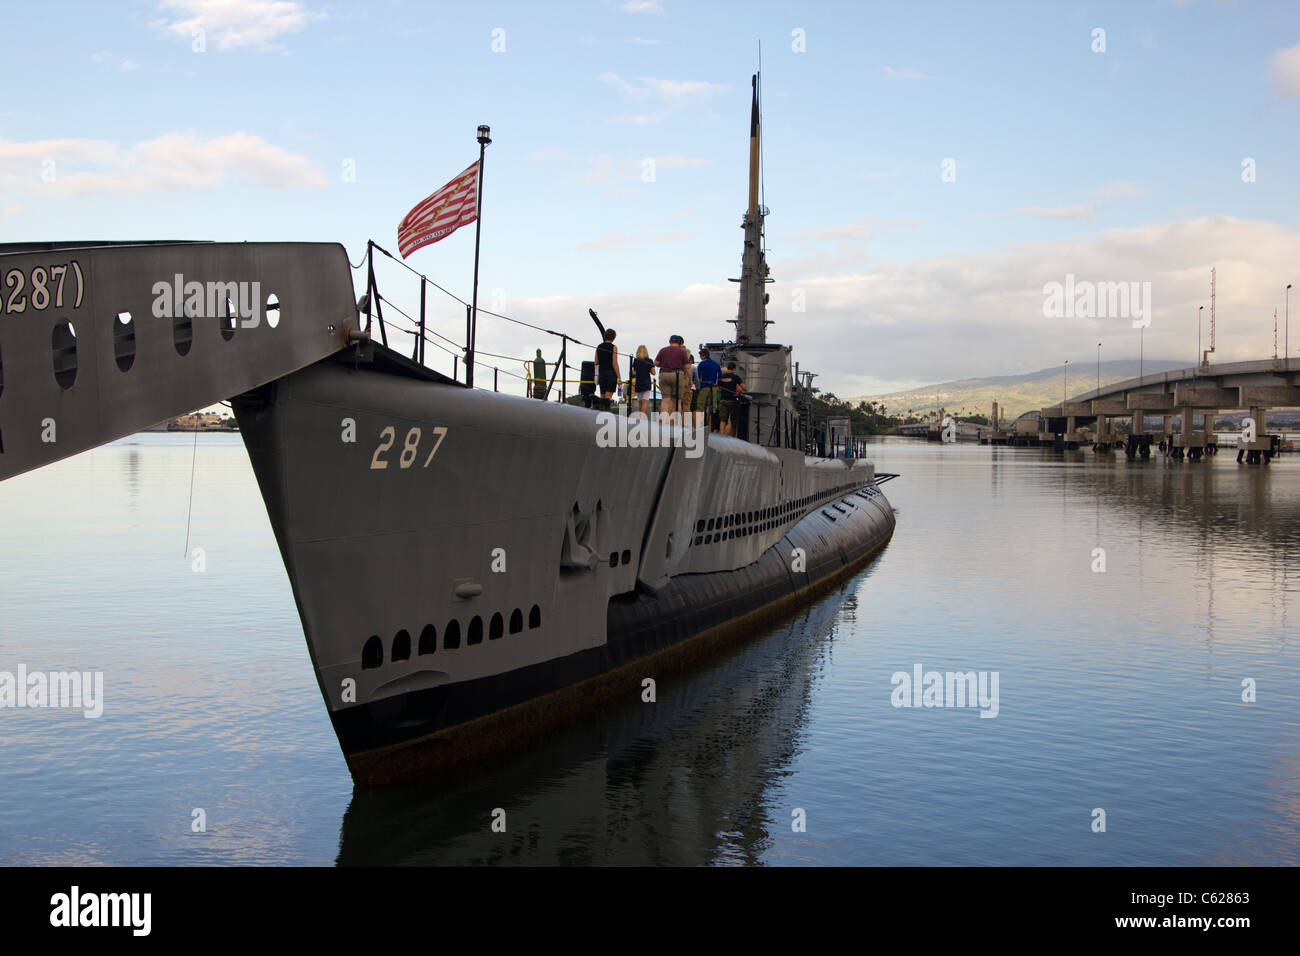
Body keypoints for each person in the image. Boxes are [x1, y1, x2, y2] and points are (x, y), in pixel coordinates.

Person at [654, 334, 691, 419]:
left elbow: (655, 363)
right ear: (679, 343)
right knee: (676, 400)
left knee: (665, 400)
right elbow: (687, 367)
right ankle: (673, 422)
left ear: (670, 341)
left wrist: (663, 365)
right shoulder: (682, 352)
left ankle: (664, 422)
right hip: (677, 375)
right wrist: (690, 379)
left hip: (664, 374)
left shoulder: (663, 350)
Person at [716, 360, 746, 436]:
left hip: (723, 400)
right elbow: (744, 388)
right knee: (733, 420)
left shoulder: (722, 377)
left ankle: (721, 436)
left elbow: (718, 389)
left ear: (727, 368)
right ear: (734, 369)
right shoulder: (736, 377)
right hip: (732, 401)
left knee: (722, 420)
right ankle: (732, 437)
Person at [695, 347, 721, 429]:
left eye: (700, 356)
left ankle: (699, 427)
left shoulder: (702, 364)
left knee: (700, 407)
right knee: (712, 408)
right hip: (713, 388)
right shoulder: (716, 364)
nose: (700, 358)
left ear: (703, 356)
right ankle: (710, 427)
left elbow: (698, 377)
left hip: (704, 387)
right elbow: (720, 376)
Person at [595, 329, 620, 408]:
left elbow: (596, 362)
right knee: (608, 397)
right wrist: (619, 377)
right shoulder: (614, 347)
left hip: (602, 373)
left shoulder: (599, 347)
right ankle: (606, 415)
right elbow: (615, 363)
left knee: (602, 396)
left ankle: (599, 414)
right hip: (611, 374)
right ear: (614, 337)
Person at [631, 345, 655, 416]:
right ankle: (642, 418)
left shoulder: (636, 360)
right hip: (646, 383)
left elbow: (633, 372)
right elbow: (654, 373)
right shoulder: (649, 361)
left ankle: (639, 418)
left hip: (638, 383)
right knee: (645, 402)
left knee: (640, 402)